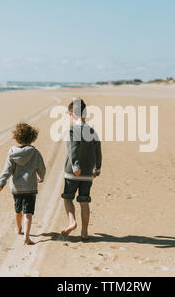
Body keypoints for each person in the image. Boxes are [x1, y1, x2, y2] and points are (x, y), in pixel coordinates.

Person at [0, 123, 46, 245]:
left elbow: (7, 170)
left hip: (17, 188)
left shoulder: (12, 153)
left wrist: (0, 183)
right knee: (28, 213)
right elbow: (41, 167)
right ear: (32, 137)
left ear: (17, 137)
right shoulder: (35, 153)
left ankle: (18, 229)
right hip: (30, 187)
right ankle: (27, 237)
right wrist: (41, 177)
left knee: (18, 210)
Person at [61, 98, 102, 242]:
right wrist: (97, 168)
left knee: (67, 198)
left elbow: (73, 149)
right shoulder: (92, 131)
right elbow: (98, 150)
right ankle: (84, 232)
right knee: (84, 202)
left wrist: (76, 165)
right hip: (87, 174)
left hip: (72, 172)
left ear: (72, 114)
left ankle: (72, 222)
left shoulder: (72, 130)